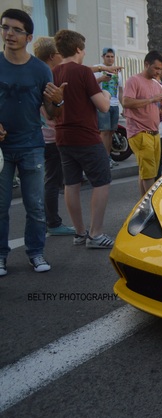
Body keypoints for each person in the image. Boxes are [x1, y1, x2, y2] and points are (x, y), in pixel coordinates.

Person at [0, 9, 65, 274]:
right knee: (0, 207)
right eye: (5, 28)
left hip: (32, 146)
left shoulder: (40, 70)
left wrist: (57, 100)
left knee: (36, 206)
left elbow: (52, 114)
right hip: (1, 151)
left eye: (16, 30)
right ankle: (1, 256)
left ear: (29, 37)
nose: (9, 34)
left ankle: (36, 253)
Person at [53, 29, 114, 249]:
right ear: (78, 49)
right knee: (102, 181)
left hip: (62, 135)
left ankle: (79, 233)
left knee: (71, 184)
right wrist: (106, 93)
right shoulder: (83, 72)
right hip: (86, 136)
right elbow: (104, 106)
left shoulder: (53, 72)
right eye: (84, 48)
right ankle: (96, 234)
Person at [32, 36, 75, 236]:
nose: (61, 56)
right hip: (50, 136)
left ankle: (49, 220)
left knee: (49, 179)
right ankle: (53, 222)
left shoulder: (35, 73)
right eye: (59, 53)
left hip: (42, 136)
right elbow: (50, 112)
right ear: (52, 56)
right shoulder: (47, 77)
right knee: (52, 180)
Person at [123, 51, 162, 196]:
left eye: (160, 69)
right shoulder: (133, 80)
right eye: (156, 68)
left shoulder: (157, 85)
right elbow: (126, 102)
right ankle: (151, 208)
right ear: (146, 64)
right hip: (140, 132)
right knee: (150, 173)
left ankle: (144, 207)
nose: (159, 72)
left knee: (147, 172)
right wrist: (152, 99)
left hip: (155, 132)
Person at [94, 47, 123, 169]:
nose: (110, 59)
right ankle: (103, 158)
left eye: (112, 56)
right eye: (108, 56)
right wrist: (101, 78)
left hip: (115, 105)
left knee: (111, 132)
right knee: (104, 132)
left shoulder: (118, 71)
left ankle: (108, 156)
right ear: (103, 57)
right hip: (102, 105)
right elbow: (90, 85)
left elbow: (120, 90)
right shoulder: (98, 69)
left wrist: (123, 106)